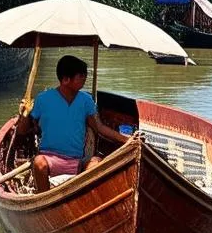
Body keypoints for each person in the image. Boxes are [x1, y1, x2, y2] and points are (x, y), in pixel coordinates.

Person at [14, 54, 130, 193]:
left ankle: (82, 197)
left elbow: (99, 128)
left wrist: (127, 140)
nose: (84, 78)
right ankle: (44, 197)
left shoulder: (86, 100)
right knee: (39, 162)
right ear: (65, 79)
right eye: (80, 75)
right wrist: (25, 113)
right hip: (49, 159)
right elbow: (22, 131)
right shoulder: (43, 99)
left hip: (76, 162)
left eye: (84, 75)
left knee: (96, 163)